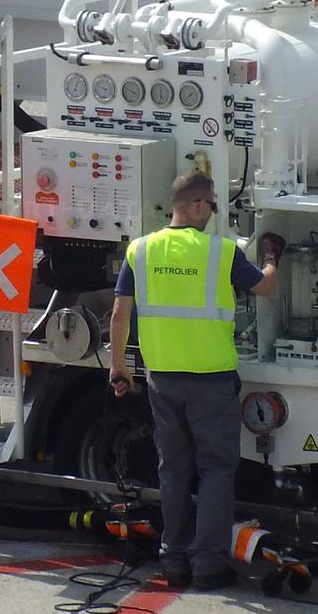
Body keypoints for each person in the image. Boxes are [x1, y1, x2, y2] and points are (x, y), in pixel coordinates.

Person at [109, 170, 281, 590]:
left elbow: (119, 313)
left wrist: (118, 367)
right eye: (212, 206)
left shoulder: (141, 250)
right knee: (216, 470)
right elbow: (267, 288)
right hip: (211, 379)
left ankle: (173, 560)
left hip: (162, 380)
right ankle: (208, 565)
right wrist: (273, 254)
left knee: (173, 470)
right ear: (200, 205)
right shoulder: (221, 253)